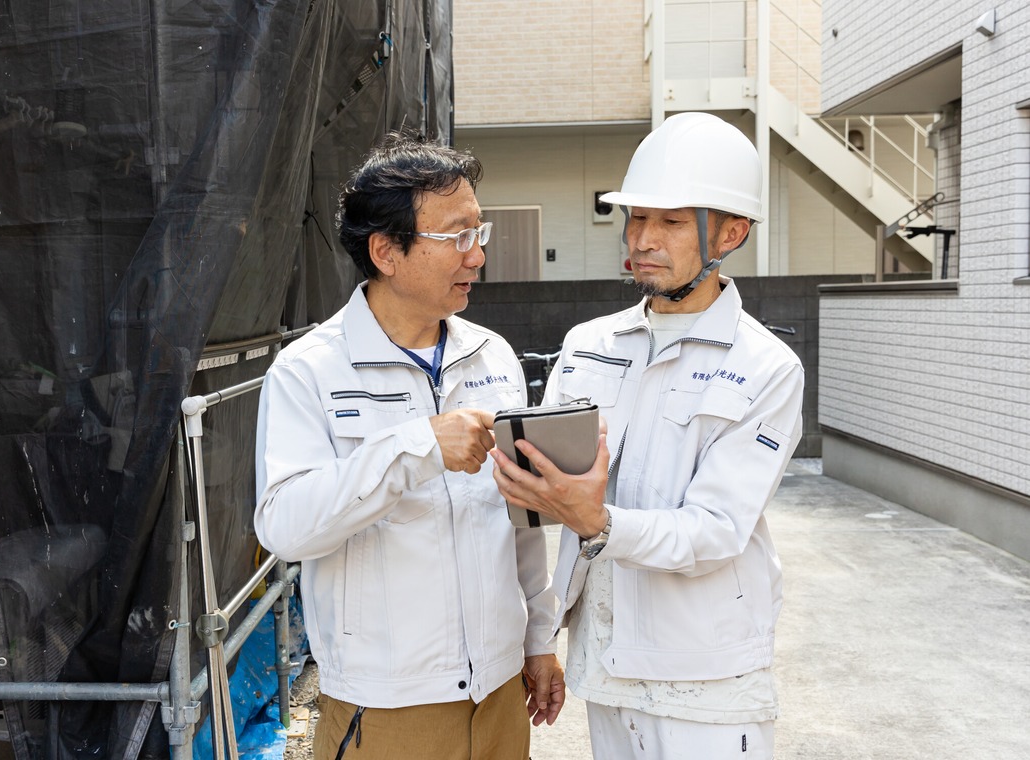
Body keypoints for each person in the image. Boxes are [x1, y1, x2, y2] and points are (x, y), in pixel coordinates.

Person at [490, 112, 805, 760]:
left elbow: (717, 530)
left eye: (669, 220)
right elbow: (549, 508)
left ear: (731, 232)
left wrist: (597, 520)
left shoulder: (766, 367)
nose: (643, 237)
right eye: (637, 218)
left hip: (708, 682)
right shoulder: (589, 347)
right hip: (605, 665)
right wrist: (542, 636)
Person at [254, 132, 563, 760]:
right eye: (456, 237)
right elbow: (285, 527)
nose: (476, 256)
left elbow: (518, 521)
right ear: (386, 251)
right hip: (388, 705)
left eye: (481, 232)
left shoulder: (493, 355)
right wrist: (415, 448)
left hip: (501, 694)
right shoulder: (310, 369)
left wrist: (537, 636)